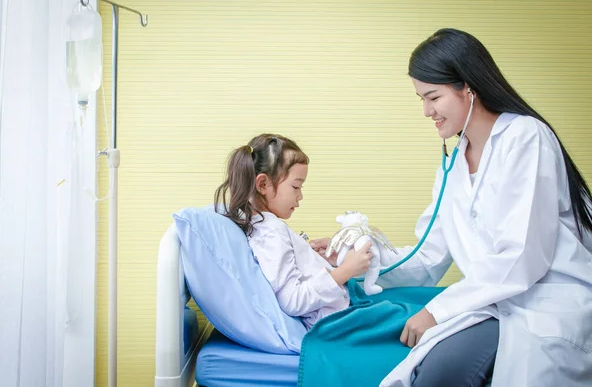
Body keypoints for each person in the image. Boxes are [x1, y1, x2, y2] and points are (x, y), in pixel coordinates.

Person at [311, 28, 592, 387]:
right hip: (493, 304)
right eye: (421, 99)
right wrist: (354, 260)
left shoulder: (526, 138)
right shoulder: (454, 163)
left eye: (433, 97)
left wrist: (438, 310)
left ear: (468, 88)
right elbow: (428, 258)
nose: (427, 111)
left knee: (443, 371)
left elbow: (521, 256)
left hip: (546, 303)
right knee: (435, 368)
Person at [214, 133, 375, 330]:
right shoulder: (271, 233)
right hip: (336, 323)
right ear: (263, 184)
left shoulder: (267, 226)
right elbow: (293, 300)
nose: (300, 196)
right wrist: (346, 271)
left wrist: (324, 261)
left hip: (340, 311)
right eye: (296, 186)